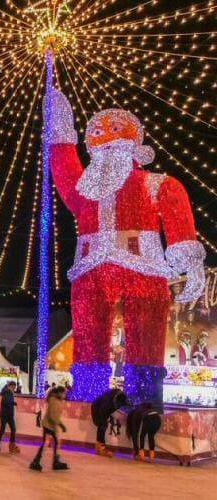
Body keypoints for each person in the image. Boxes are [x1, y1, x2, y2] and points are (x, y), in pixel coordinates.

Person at [45, 86, 206, 404]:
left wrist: (190, 264)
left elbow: (178, 221)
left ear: (133, 142)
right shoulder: (84, 192)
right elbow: (63, 163)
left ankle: (144, 398)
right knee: (88, 338)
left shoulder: (157, 184)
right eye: (97, 134)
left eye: (114, 131)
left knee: (146, 334)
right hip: (89, 269)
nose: (105, 137)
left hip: (144, 267)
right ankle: (90, 395)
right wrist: (59, 121)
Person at [30, 386, 69, 471]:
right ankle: (36, 462)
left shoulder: (58, 400)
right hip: (49, 426)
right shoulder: (54, 400)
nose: (65, 395)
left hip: (53, 426)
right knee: (46, 444)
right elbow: (53, 416)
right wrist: (61, 425)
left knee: (57, 442)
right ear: (59, 393)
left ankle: (56, 462)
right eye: (64, 393)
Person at [91, 388, 128, 458]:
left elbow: (110, 410)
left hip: (100, 407)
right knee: (102, 425)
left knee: (103, 425)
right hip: (97, 408)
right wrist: (103, 421)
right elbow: (104, 411)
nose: (120, 406)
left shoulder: (115, 399)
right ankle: (101, 447)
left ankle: (99, 446)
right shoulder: (108, 402)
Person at [0, 380, 20, 454]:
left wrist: (13, 403)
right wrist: (12, 403)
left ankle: (12, 444)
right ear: (10, 386)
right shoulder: (6, 392)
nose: (14, 389)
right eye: (13, 387)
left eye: (14, 388)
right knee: (2, 430)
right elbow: (6, 401)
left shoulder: (9, 392)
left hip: (10, 415)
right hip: (4, 414)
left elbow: (8, 401)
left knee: (13, 429)